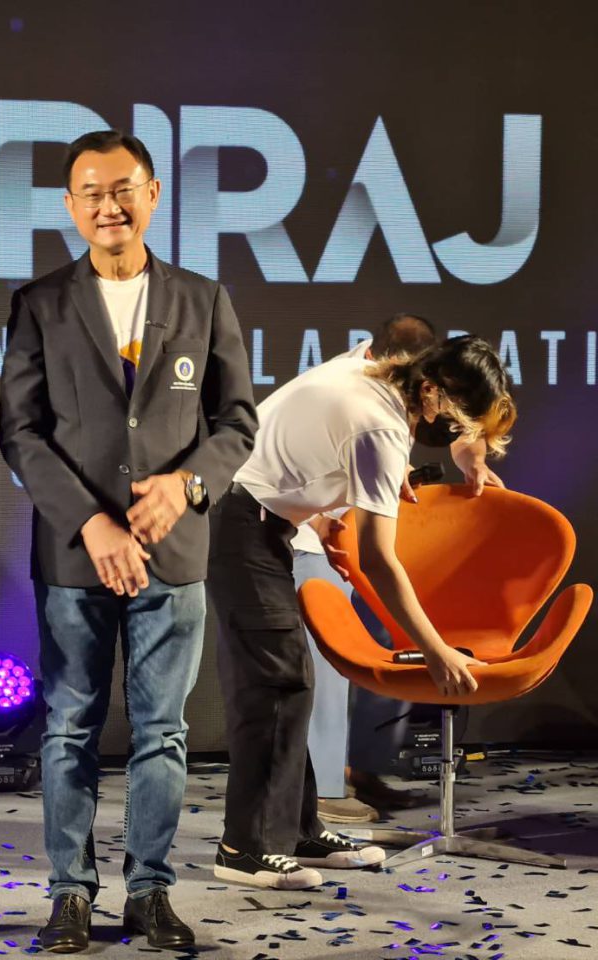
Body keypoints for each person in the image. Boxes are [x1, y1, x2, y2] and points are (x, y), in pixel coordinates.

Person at [0, 130, 256, 951]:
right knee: (69, 729)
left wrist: (186, 487)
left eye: (123, 189)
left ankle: (150, 891)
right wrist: (91, 521)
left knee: (163, 733)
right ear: (70, 207)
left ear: (152, 196)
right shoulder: (40, 303)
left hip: (173, 553)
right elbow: (20, 432)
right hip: (77, 556)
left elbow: (237, 421)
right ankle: (70, 894)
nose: (108, 206)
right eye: (91, 193)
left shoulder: (203, 299)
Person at [209, 334, 515, 889]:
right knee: (275, 685)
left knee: (289, 685)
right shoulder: (380, 425)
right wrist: (435, 650)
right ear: (430, 392)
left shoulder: (373, 368)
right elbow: (378, 559)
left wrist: (326, 516)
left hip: (266, 518)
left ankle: (297, 831)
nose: (457, 434)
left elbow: (308, 447)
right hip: (237, 522)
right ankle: (243, 848)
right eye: (460, 423)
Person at [292, 315, 505, 824]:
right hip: (307, 531)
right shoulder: (352, 386)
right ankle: (323, 790)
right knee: (327, 665)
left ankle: (363, 770)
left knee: (389, 645)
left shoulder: (412, 390)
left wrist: (472, 458)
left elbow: (462, 427)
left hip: (354, 536)